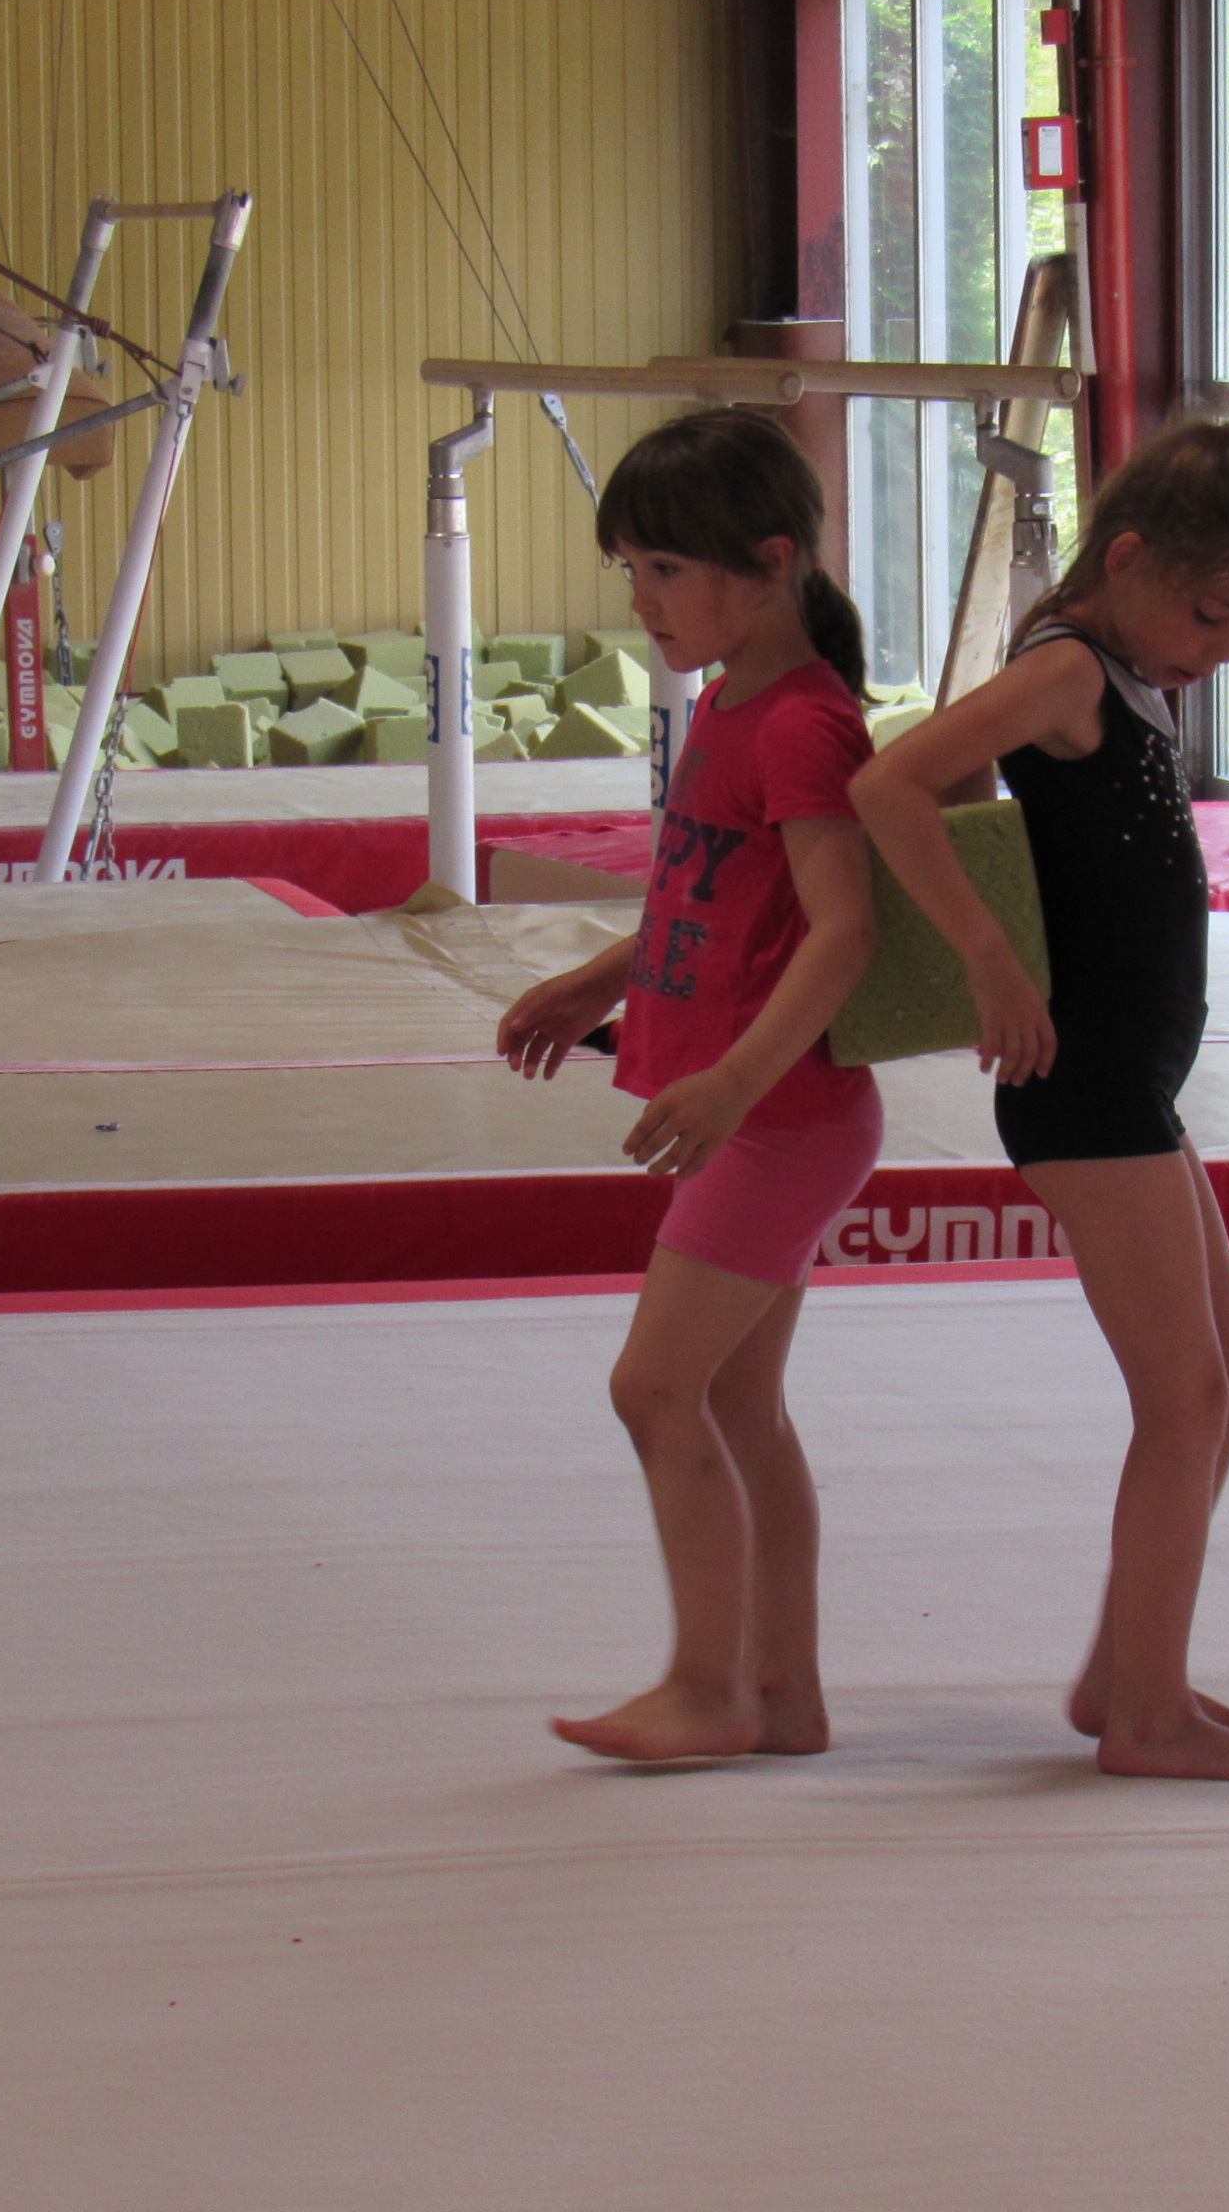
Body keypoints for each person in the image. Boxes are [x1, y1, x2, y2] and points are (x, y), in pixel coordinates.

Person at [849, 416, 1229, 1782]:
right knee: (1186, 1397)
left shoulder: (1114, 667)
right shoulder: (1064, 670)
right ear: (1126, 559)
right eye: (1213, 617)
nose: (1220, 651)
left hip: (1130, 1087)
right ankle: (1146, 1715)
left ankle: (1125, 1674)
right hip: (1087, 1086)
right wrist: (988, 958)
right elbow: (890, 784)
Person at [498, 408, 882, 1765]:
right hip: (765, 1110)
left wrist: (728, 1082)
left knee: (655, 1389)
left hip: (782, 1116)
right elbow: (709, 896)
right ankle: (785, 1692)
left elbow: (845, 930)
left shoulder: (804, 727)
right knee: (734, 1406)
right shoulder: (730, 706)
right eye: (632, 571)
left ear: (770, 562)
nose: (642, 601)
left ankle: (710, 1687)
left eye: (665, 570)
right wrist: (596, 982)